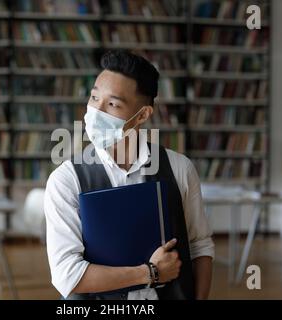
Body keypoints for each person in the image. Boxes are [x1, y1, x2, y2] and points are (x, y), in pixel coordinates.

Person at [44, 50, 214, 300]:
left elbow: (200, 246)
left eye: (112, 104)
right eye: (94, 98)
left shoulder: (179, 169)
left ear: (143, 115)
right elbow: (67, 275)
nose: (96, 111)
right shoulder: (66, 180)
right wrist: (151, 273)